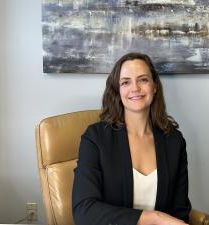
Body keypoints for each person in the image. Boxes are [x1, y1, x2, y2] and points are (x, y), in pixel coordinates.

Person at [72, 52, 192, 225]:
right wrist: (155, 218)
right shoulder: (95, 138)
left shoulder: (174, 141)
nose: (135, 88)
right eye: (126, 82)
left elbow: (180, 212)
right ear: (117, 90)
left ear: (155, 86)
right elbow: (84, 211)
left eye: (143, 79)